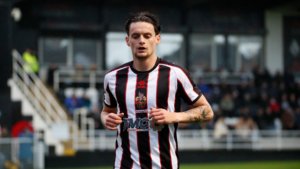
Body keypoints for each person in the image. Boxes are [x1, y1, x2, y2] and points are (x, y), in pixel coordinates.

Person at [100, 11, 214, 169]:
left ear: (157, 39)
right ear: (127, 40)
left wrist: (173, 116)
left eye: (147, 36)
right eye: (136, 36)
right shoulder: (112, 78)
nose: (141, 41)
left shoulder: (175, 74)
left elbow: (207, 111)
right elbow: (106, 111)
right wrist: (106, 119)